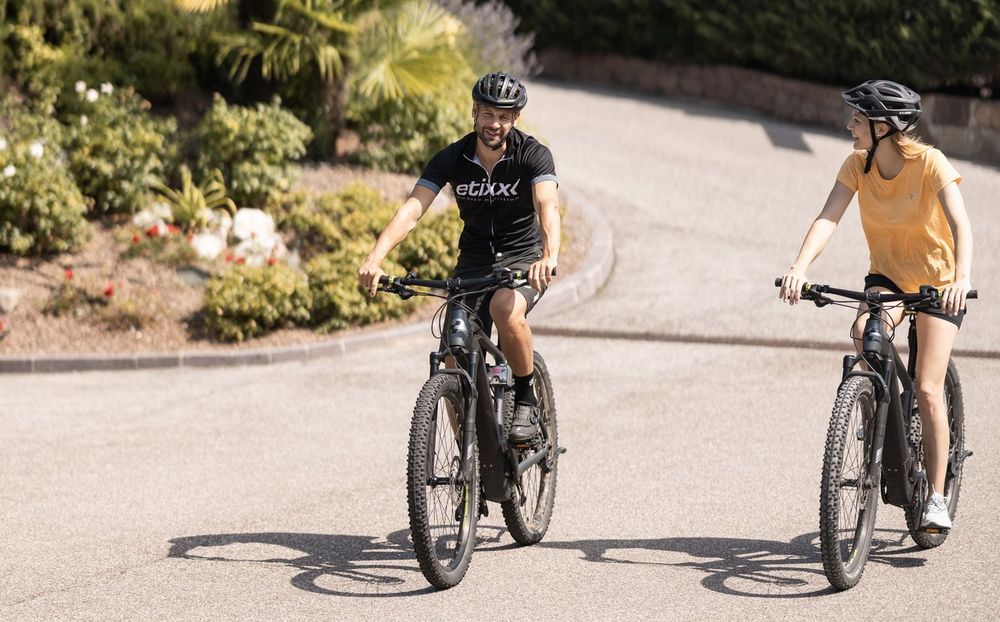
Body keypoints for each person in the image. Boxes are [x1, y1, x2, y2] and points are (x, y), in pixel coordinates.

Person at [778, 79, 974, 530]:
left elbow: (961, 223)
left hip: (937, 283)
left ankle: (938, 499)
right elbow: (828, 217)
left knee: (927, 387)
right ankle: (872, 403)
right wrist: (799, 266)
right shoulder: (856, 166)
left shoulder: (930, 164)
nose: (850, 126)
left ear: (884, 127)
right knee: (864, 334)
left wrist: (960, 279)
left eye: (859, 120)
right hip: (887, 276)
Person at [358, 71, 560, 444]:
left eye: (503, 116)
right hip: (473, 262)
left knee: (504, 310)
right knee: (453, 350)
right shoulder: (453, 157)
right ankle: (471, 455)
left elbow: (547, 203)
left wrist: (548, 255)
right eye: (487, 114)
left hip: (521, 257)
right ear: (474, 112)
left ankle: (526, 396)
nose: (494, 124)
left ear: (515, 119)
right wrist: (376, 257)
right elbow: (412, 209)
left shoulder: (532, 154)